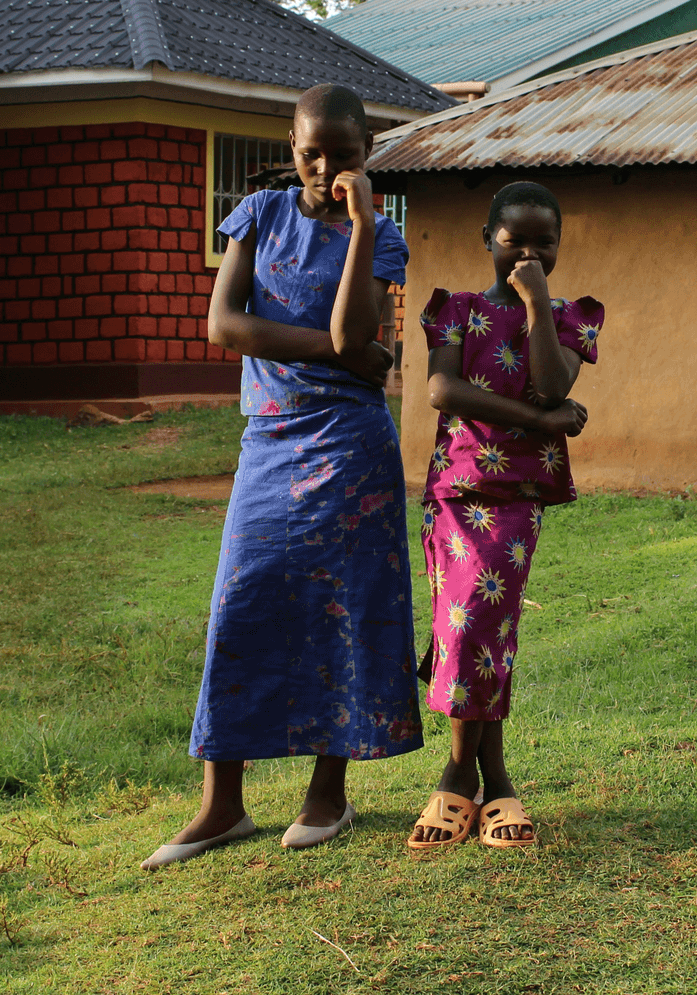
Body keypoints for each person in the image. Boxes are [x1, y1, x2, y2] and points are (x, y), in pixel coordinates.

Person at [139, 84, 424, 872]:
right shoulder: (258, 215)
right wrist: (335, 350)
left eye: (347, 154)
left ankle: (327, 792)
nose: (327, 167)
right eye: (312, 152)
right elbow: (223, 324)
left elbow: (358, 330)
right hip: (270, 438)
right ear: (291, 143)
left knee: (345, 606)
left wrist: (363, 225)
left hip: (352, 446)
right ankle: (220, 804)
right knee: (241, 600)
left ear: (370, 154)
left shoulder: (383, 233)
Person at [406, 180, 603, 851]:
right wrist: (540, 420)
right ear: (487, 239)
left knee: (484, 626)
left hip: (517, 500)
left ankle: (464, 774)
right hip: (456, 494)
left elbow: (554, 382)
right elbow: (443, 389)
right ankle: (488, 775)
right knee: (466, 628)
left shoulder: (571, 316)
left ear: (559, 246)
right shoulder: (455, 310)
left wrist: (538, 306)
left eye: (543, 242)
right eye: (512, 239)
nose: (527, 253)